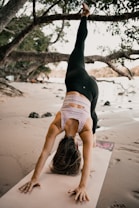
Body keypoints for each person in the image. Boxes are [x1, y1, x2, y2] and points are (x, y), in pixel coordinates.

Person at [19, 3, 99, 202]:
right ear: (62, 145)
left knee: (93, 117)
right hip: (77, 78)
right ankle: (84, 16)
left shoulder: (85, 131)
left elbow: (87, 162)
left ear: (77, 147)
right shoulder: (57, 124)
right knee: (79, 45)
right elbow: (45, 152)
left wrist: (82, 185)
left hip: (92, 89)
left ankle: (95, 141)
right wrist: (35, 177)